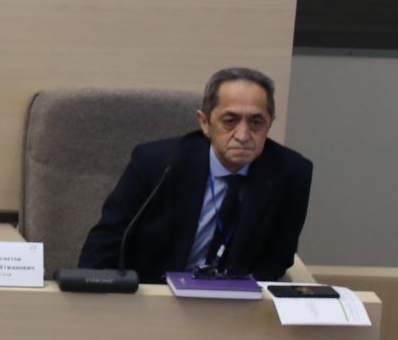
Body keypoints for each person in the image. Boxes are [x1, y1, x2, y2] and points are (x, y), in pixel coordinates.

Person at [79, 67, 314, 283]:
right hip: (155, 292)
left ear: (269, 124)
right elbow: (109, 240)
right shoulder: (158, 163)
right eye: (230, 121)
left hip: (234, 299)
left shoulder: (291, 173)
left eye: (256, 122)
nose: (243, 135)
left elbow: (277, 257)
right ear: (205, 123)